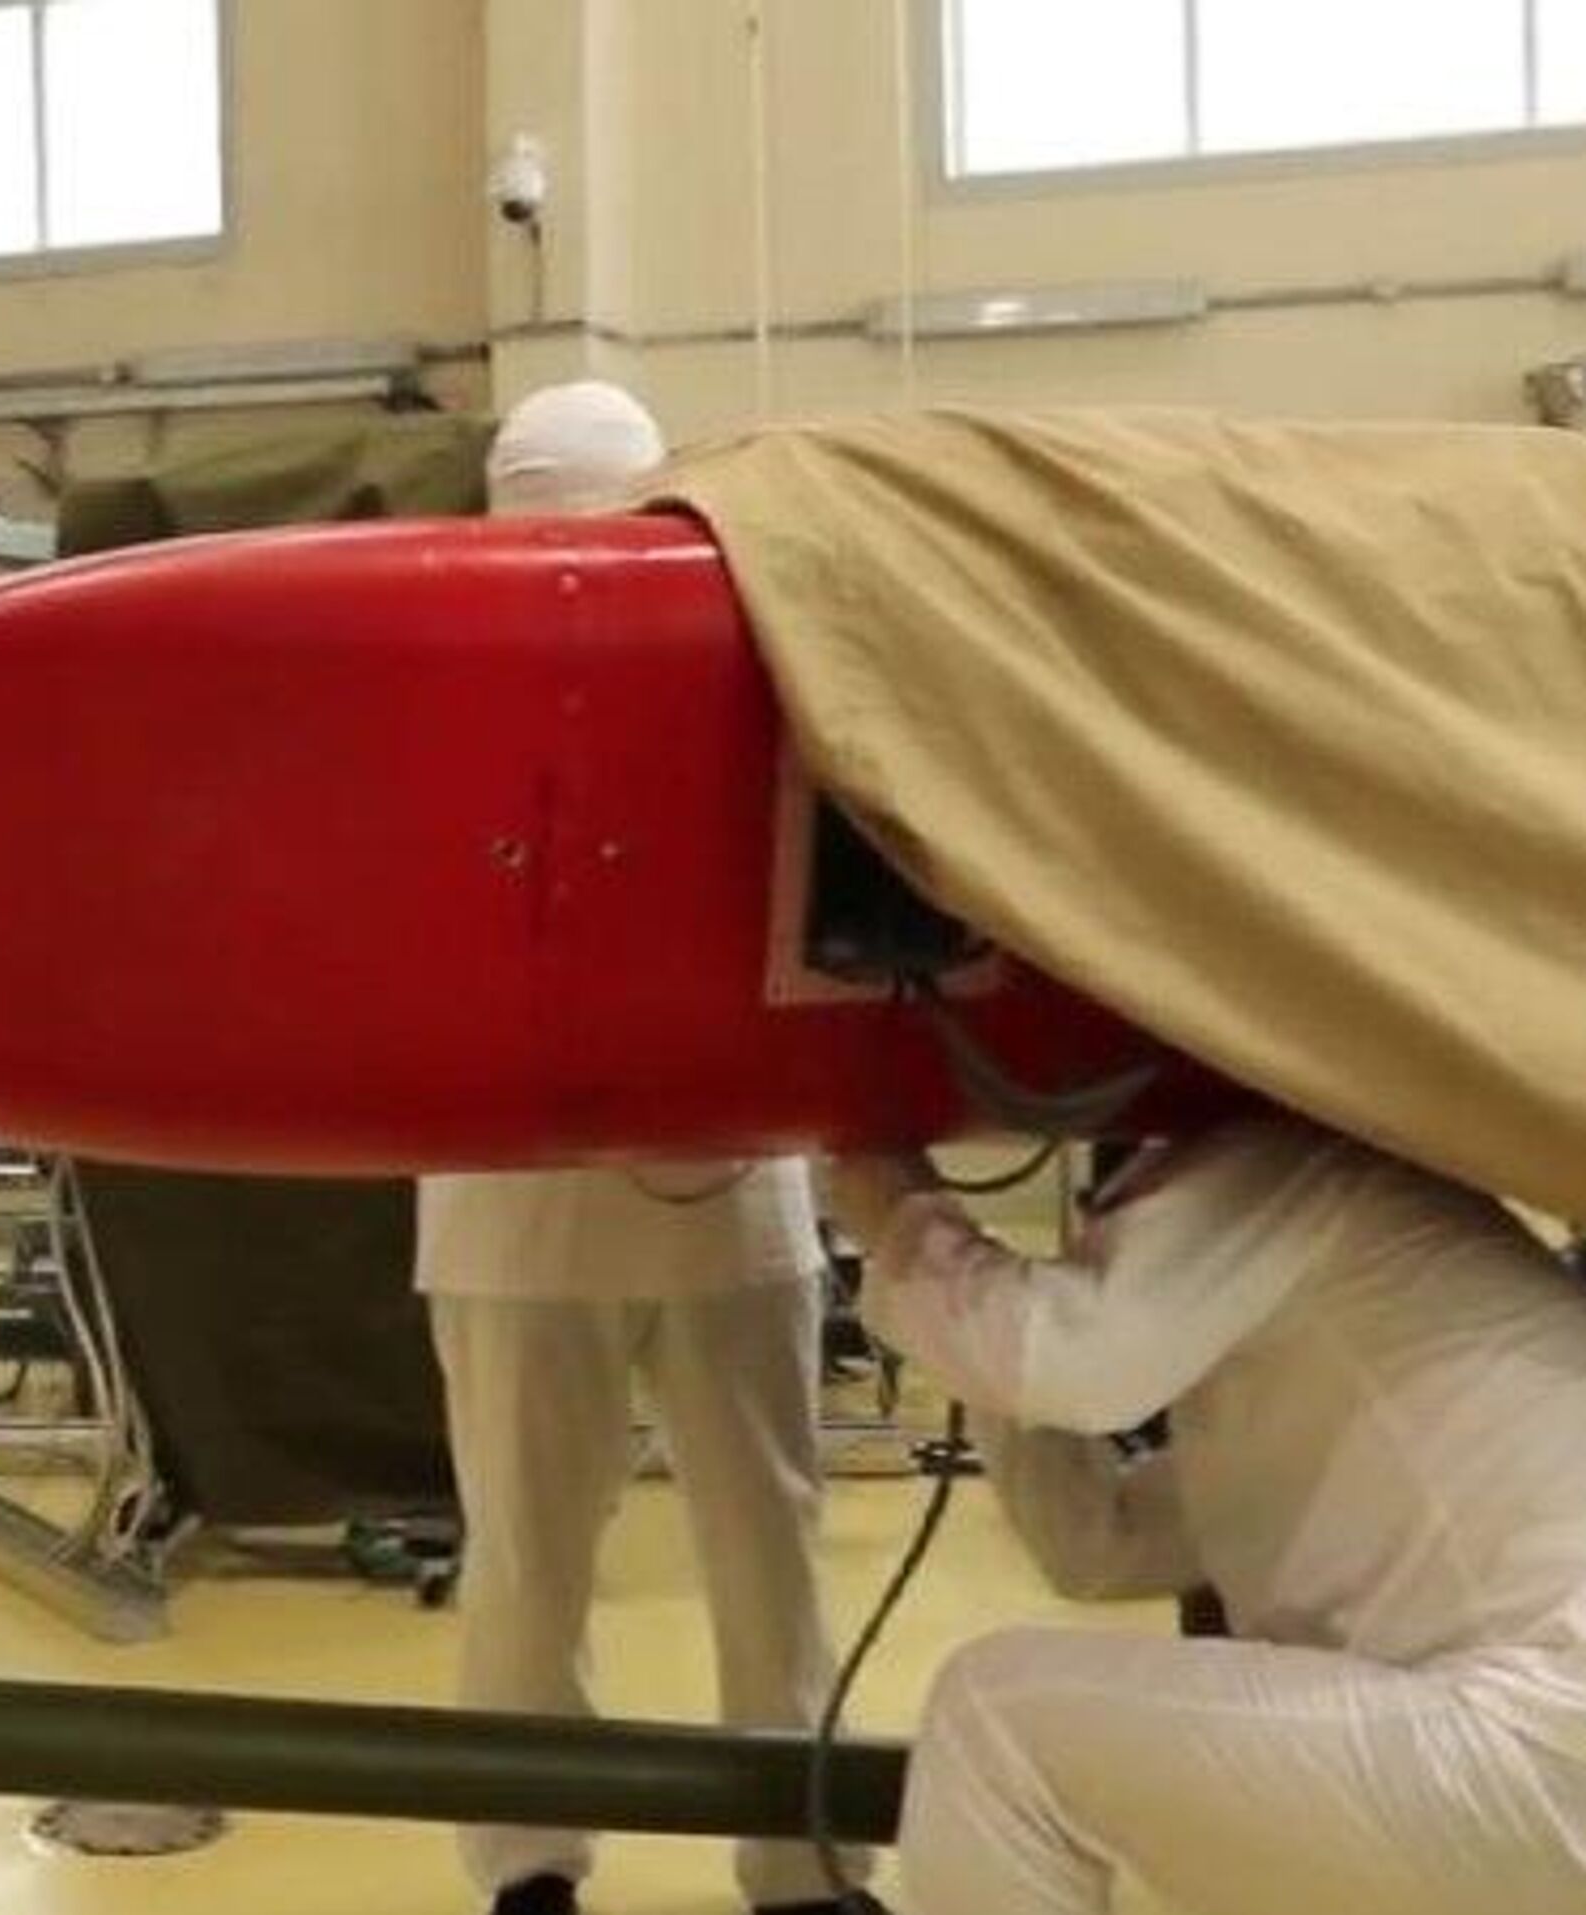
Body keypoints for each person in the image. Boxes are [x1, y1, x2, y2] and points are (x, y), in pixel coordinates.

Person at [417, 380, 883, 1915]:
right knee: (528, 1554)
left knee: (765, 1539)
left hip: (727, 1186)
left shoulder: (752, 662)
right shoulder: (432, 690)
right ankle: (529, 1863)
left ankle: (803, 1855)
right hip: (513, 1202)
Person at [825, 1115, 1586, 1915]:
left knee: (993, 1725)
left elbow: (1060, 1362)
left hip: (1536, 1726)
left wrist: (900, 1212)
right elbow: (1098, 1542)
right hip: (1527, 1739)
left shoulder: (1288, 1162)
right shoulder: (1335, 1343)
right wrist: (947, 1301)